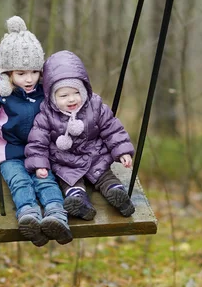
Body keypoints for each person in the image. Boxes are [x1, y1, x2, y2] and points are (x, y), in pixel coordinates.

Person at [0, 16, 72, 247]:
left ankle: (56, 215)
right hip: (9, 151)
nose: (29, 78)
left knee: (46, 180)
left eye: (34, 72)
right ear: (7, 73)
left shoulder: (45, 90)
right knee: (20, 181)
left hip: (41, 151)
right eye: (21, 73)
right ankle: (29, 215)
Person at [24, 50, 136, 221]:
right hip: (65, 161)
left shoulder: (95, 106)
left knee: (105, 177)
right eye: (63, 95)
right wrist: (40, 165)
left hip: (95, 157)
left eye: (76, 92)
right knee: (69, 182)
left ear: (84, 90)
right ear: (51, 97)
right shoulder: (46, 115)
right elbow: (37, 142)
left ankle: (118, 194)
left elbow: (112, 129)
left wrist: (122, 152)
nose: (71, 99)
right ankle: (78, 202)